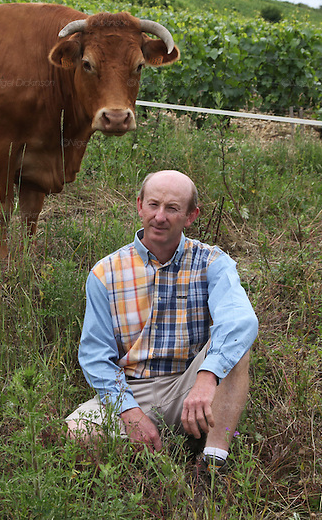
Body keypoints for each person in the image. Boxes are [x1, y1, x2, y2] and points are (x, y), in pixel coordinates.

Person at [65, 170, 258, 472]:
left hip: (190, 383)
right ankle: (166, 452)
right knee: (79, 433)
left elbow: (240, 321)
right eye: (153, 205)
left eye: (172, 208)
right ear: (139, 206)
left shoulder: (212, 262)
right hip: (133, 390)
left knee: (236, 346)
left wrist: (207, 378)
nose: (160, 217)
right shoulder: (105, 273)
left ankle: (212, 463)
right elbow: (95, 356)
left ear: (191, 216)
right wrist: (129, 412)